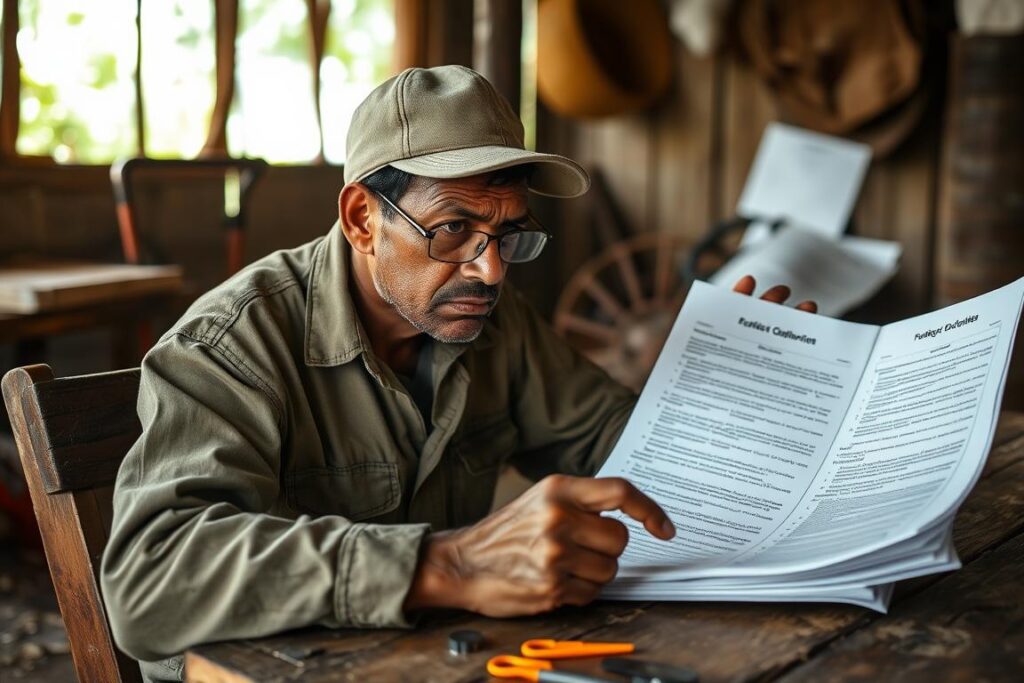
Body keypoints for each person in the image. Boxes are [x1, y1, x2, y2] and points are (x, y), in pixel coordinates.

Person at [100, 65, 816, 682]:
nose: (491, 268)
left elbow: (620, 451)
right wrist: (451, 564)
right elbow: (147, 581)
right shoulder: (232, 345)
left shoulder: (494, 325)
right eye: (452, 231)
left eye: (508, 233)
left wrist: (722, 407)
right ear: (361, 219)